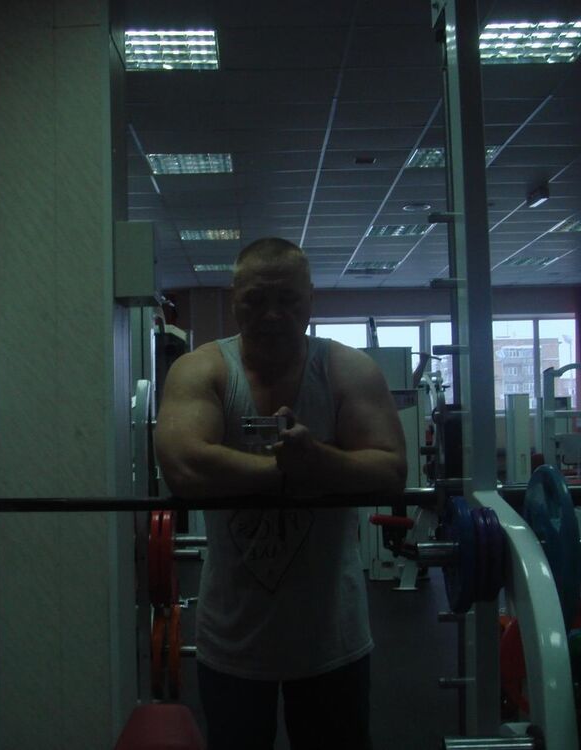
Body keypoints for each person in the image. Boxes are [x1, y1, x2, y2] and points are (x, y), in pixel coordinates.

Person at [154, 237, 408, 750]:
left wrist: (317, 460)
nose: (272, 314)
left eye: (288, 299)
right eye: (256, 299)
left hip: (331, 638)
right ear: (235, 300)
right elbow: (182, 467)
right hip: (232, 639)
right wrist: (291, 470)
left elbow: (390, 472)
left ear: (310, 299)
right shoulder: (203, 369)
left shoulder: (347, 369)